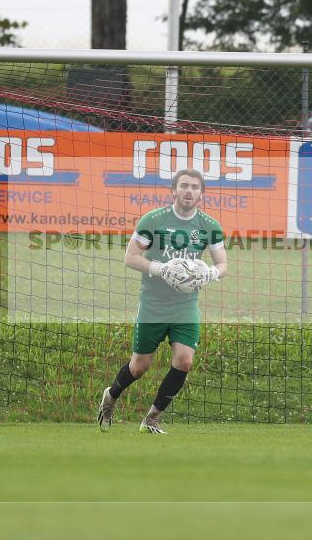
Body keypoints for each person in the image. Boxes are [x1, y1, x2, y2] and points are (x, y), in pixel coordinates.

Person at [97, 169, 227, 434]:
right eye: (184, 186)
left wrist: (211, 272)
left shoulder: (209, 226)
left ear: (201, 193)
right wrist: (161, 269)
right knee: (139, 366)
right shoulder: (154, 220)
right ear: (174, 190)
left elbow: (222, 263)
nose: (189, 191)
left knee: (184, 361)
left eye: (194, 187)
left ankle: (152, 417)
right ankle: (110, 396)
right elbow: (130, 257)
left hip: (185, 305)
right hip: (153, 303)